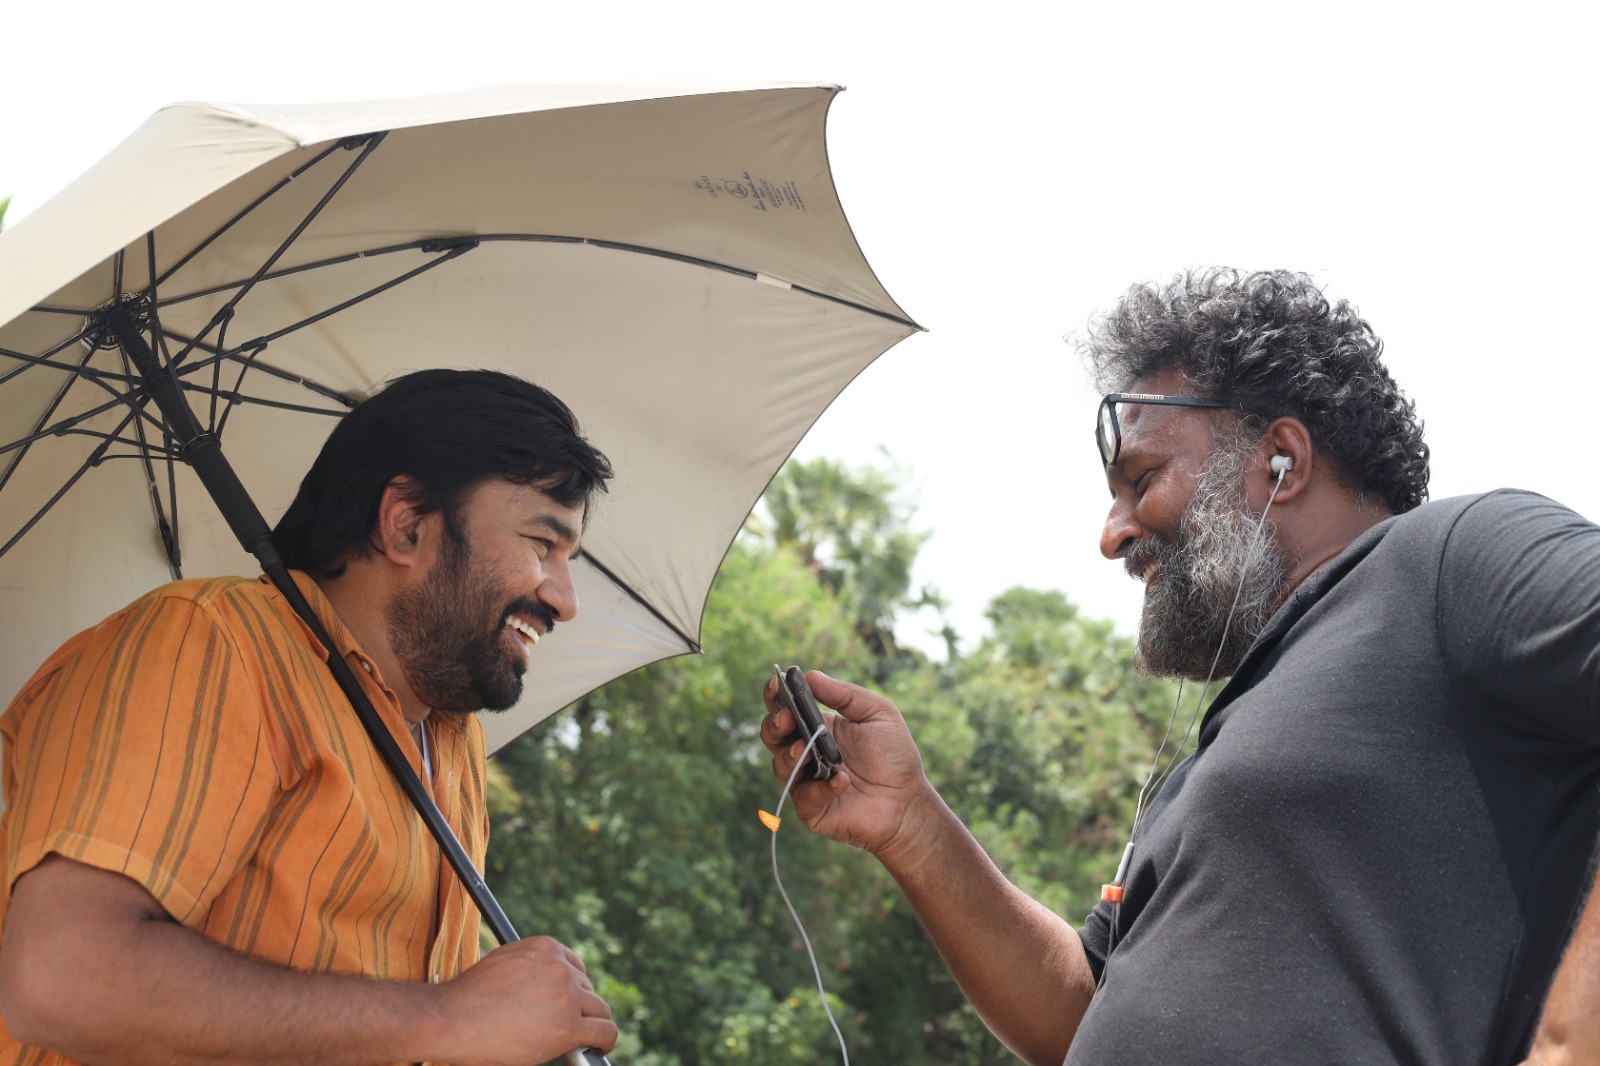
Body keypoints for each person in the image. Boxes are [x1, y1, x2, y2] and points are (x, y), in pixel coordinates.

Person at [760, 268, 1600, 1066]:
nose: (1113, 534)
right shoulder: (1212, 761)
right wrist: (911, 825)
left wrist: (1570, 1045)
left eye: (1143, 478)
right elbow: (1077, 1016)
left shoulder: (1450, 561)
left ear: (1282, 459)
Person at [0, 368, 621, 1066]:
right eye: (542, 545)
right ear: (407, 524)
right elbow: (61, 978)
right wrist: (446, 1016)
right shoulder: (213, 644)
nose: (566, 600)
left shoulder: (453, 740)